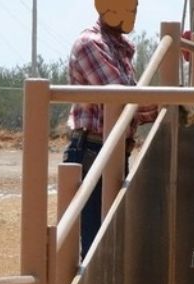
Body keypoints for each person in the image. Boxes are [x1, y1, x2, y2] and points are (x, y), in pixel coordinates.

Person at [65, 0, 159, 257]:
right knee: (98, 242)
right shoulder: (90, 44)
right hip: (95, 149)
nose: (131, 14)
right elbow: (121, 98)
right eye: (125, 7)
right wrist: (169, 101)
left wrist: (164, 103)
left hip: (112, 148)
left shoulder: (117, 49)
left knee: (112, 237)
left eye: (133, 8)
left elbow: (133, 106)